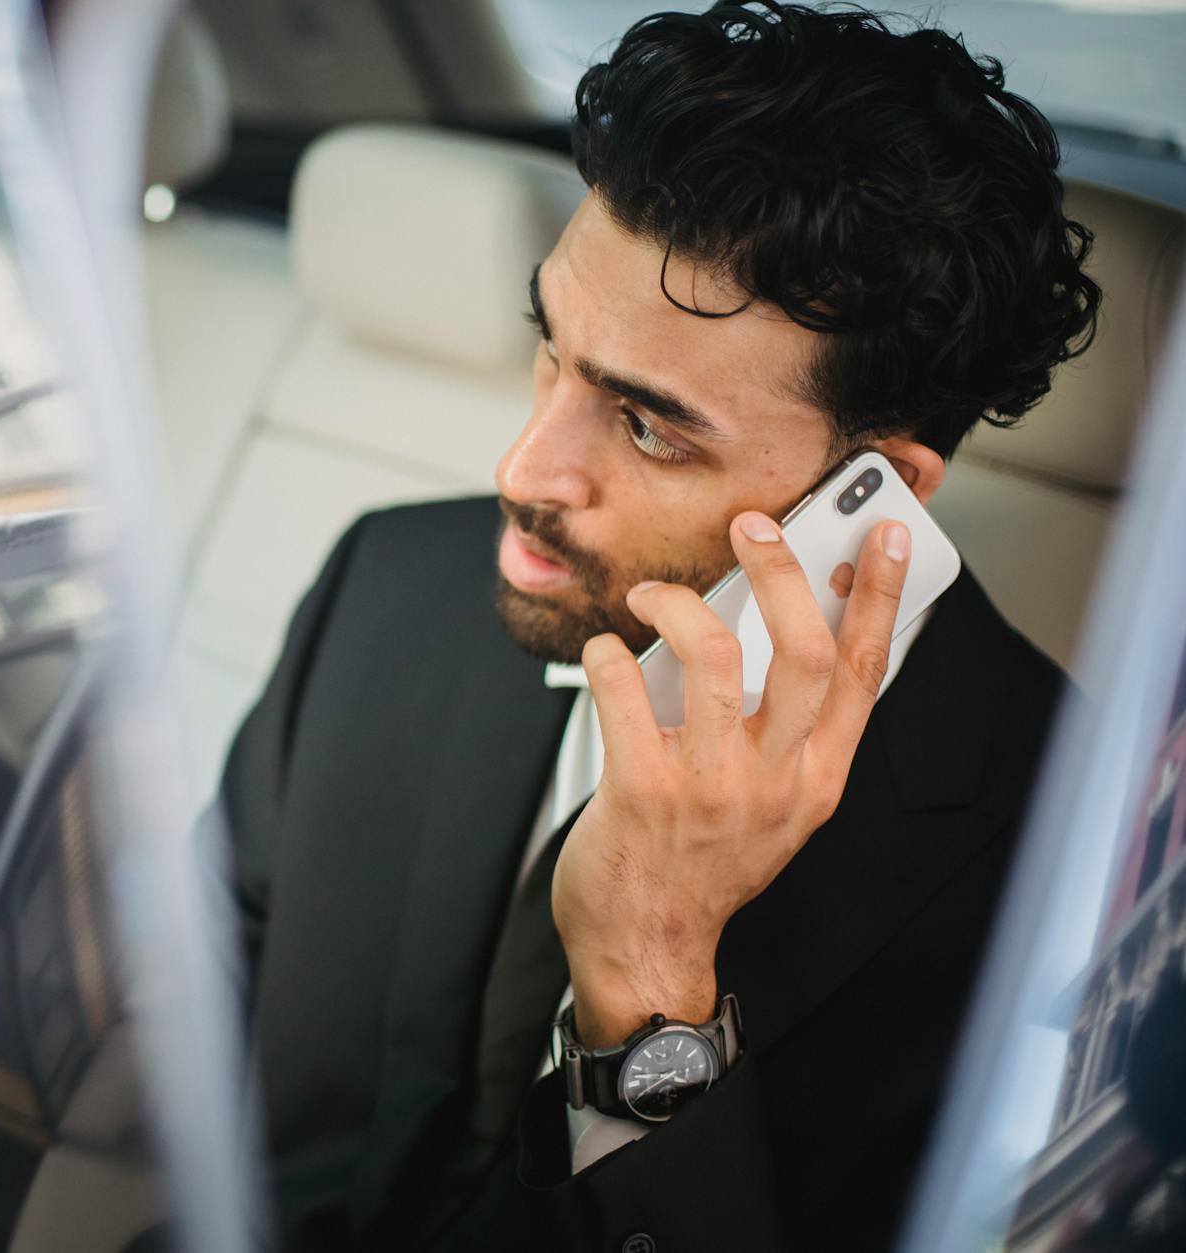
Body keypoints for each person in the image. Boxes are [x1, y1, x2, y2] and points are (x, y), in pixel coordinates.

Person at [207, 3, 1100, 1249]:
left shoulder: (1064, 853)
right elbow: (185, 1049)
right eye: (549, 349)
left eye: (645, 425)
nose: (523, 468)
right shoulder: (389, 580)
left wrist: (646, 983)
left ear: (875, 490)